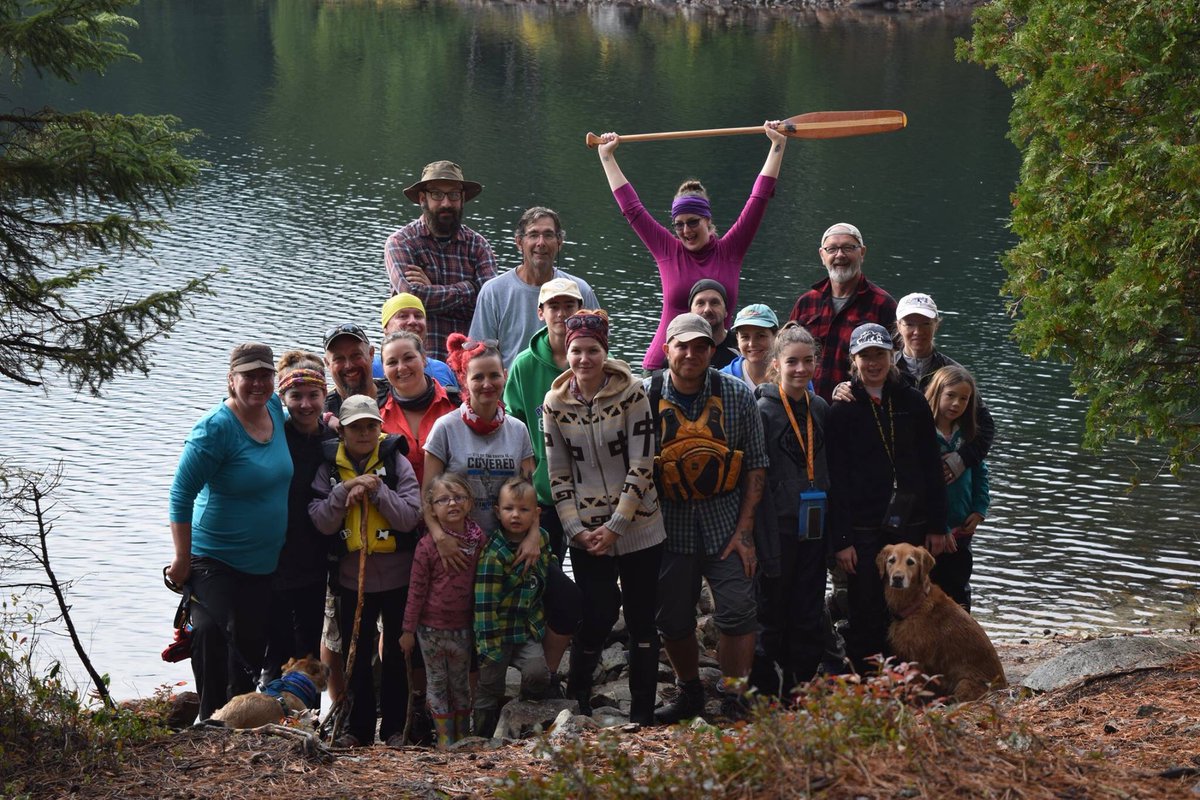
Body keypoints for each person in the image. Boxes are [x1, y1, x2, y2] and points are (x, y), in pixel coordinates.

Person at [542, 310, 666, 725]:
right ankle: (578, 696)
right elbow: (557, 471)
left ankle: (643, 712)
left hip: (640, 527)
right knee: (595, 611)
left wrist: (617, 526)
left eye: (592, 350)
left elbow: (643, 463)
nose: (583, 358)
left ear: (604, 351)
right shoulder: (554, 403)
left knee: (642, 617)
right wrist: (574, 528)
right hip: (586, 532)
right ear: (567, 351)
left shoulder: (632, 394)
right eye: (576, 350)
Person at [646, 313, 768, 723]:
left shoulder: (737, 395)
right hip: (667, 525)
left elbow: (755, 466)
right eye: (682, 346)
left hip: (724, 522)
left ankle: (735, 694)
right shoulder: (644, 396)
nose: (691, 354)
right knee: (672, 618)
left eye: (700, 347)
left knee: (738, 610)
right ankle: (689, 691)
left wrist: (745, 532)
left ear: (712, 351)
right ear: (667, 350)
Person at [594, 123, 789, 371]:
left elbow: (758, 200)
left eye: (693, 222)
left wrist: (777, 145)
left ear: (708, 221)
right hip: (664, 365)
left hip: (723, 365)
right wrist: (607, 156)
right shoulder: (667, 250)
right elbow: (632, 208)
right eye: (679, 225)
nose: (686, 231)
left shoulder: (731, 250)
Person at [168, 343, 294, 720]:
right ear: (231, 380)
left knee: (250, 644)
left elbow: (306, 410)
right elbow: (180, 495)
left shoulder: (273, 408)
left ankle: (236, 722)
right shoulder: (214, 430)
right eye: (248, 376)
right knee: (210, 632)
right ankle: (208, 718)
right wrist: (180, 560)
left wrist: (331, 420)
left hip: (261, 561)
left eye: (265, 375)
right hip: (213, 557)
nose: (258, 383)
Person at [825, 323, 945, 674]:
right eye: (865, 356)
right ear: (853, 360)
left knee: (911, 602)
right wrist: (842, 540)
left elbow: (931, 468)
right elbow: (837, 480)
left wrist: (938, 525)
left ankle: (908, 676)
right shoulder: (842, 409)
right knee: (865, 606)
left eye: (880, 354)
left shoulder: (912, 401)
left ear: (892, 356)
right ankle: (867, 680)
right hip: (862, 527)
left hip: (909, 522)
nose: (873, 363)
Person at [308, 395, 422, 747]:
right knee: (355, 656)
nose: (364, 432)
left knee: (396, 654)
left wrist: (377, 492)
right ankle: (356, 728)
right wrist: (343, 492)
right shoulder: (328, 468)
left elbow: (409, 516)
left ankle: (393, 728)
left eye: (371, 426)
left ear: (380, 428)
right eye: (355, 426)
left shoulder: (396, 462)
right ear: (341, 430)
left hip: (397, 578)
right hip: (350, 579)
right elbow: (321, 521)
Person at [502, 278, 587, 678]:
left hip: (589, 498)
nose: (562, 313)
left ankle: (578, 671)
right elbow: (515, 436)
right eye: (554, 306)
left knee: (590, 592)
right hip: (543, 498)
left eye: (570, 305)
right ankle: (536, 673)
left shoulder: (590, 359)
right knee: (545, 583)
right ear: (541, 313)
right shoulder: (523, 366)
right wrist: (527, 512)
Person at [749, 323, 830, 695]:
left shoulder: (821, 410)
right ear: (776, 364)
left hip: (813, 529)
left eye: (807, 361)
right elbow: (753, 479)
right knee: (770, 610)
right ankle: (763, 688)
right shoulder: (761, 411)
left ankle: (797, 687)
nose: (800, 369)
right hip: (774, 530)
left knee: (808, 608)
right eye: (792, 362)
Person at [263, 352, 337, 685]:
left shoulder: (332, 440)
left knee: (308, 644)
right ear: (283, 398)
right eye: (296, 396)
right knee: (274, 644)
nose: (305, 404)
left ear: (325, 396)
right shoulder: (272, 434)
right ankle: (266, 704)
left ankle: (301, 713)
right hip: (274, 555)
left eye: (313, 395)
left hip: (316, 556)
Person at [401, 472, 485, 747]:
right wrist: (408, 630)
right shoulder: (426, 546)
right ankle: (445, 741)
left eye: (459, 497)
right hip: (431, 630)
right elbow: (416, 589)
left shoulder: (478, 539)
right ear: (432, 509)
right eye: (443, 499)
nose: (452, 504)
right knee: (436, 683)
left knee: (460, 683)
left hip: (463, 627)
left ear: (470, 503)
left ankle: (463, 737)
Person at [385, 160, 497, 361]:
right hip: (416, 365)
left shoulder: (478, 245)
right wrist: (470, 287)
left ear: (462, 199)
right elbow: (414, 296)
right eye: (437, 194)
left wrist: (434, 290)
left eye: (453, 195)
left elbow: (489, 305)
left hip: (468, 367)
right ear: (422, 198)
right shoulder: (401, 243)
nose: (446, 203)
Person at [472, 478, 555, 736]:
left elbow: (543, 574)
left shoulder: (541, 539)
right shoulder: (494, 554)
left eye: (523, 510)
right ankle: (483, 734)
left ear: (536, 514)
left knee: (539, 673)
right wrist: (488, 648)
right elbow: (485, 605)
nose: (515, 515)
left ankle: (521, 713)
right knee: (490, 687)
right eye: (509, 509)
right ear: (497, 512)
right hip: (497, 634)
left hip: (524, 629)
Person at [468, 207, 600, 367]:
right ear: (519, 242)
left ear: (559, 242)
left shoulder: (580, 290)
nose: (541, 243)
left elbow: (599, 347)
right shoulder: (493, 292)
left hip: (570, 388)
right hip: (512, 389)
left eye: (548, 235)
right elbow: (477, 354)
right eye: (533, 235)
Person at [892, 292, 995, 483]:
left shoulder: (954, 373)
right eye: (910, 324)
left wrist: (961, 460)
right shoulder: (885, 370)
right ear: (899, 325)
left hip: (942, 482)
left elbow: (986, 426)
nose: (918, 331)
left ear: (936, 325)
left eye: (925, 324)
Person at [787, 223, 897, 401]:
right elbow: (786, 353)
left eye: (848, 248)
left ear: (862, 253)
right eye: (832, 249)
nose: (840, 255)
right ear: (822, 255)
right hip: (805, 407)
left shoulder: (883, 304)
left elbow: (895, 364)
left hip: (856, 410)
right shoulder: (806, 302)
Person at [924, 365, 990, 611]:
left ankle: (962, 637)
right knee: (927, 587)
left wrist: (980, 507)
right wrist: (939, 527)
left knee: (958, 586)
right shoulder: (924, 435)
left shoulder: (968, 435)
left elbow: (981, 473)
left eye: (964, 399)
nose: (956, 403)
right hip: (931, 530)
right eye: (950, 395)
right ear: (937, 393)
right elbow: (921, 485)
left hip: (962, 527)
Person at [378, 330, 458, 487]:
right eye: (392, 362)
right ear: (384, 368)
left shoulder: (456, 405)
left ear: (423, 359)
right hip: (395, 507)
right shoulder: (376, 412)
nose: (401, 368)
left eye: (408, 358)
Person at [371, 293, 459, 394]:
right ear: (385, 328)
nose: (412, 321)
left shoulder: (442, 369)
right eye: (403, 316)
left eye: (418, 316)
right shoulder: (370, 368)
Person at [720, 303, 780, 388]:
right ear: (737, 338)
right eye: (745, 337)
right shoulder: (723, 379)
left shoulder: (792, 375)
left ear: (775, 336)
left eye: (760, 336)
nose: (752, 343)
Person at [688, 279, 741, 370]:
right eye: (700, 303)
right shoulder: (680, 349)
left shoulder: (741, 346)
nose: (707, 309)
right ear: (690, 312)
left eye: (714, 303)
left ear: (726, 311)